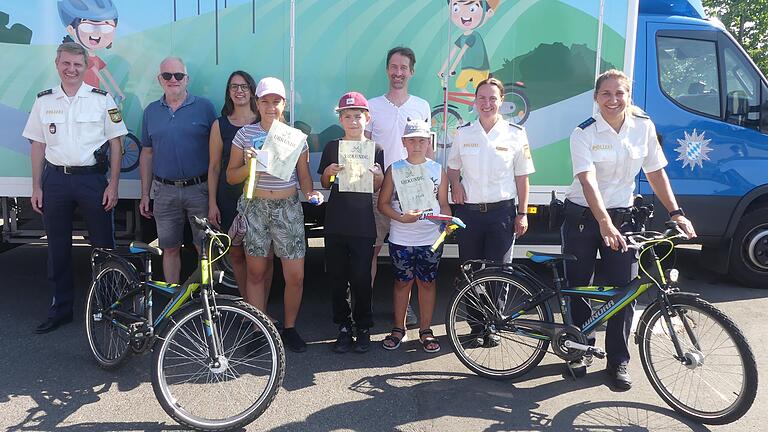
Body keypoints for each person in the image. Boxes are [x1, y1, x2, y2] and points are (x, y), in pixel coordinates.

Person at [563, 69, 697, 389]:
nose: (613, 100)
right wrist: (603, 221)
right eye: (606, 94)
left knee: (623, 291)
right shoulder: (584, 133)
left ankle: (618, 360)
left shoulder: (643, 127)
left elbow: (655, 173)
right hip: (583, 216)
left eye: (619, 93)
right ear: (596, 98)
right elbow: (588, 180)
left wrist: (677, 213)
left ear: (628, 96)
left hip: (622, 218)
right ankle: (581, 349)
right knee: (580, 286)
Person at [22, 42, 126, 333]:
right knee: (57, 247)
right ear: (57, 64)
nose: (71, 69)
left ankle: (109, 307)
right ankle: (61, 309)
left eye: (77, 65)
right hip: (55, 180)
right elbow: (37, 145)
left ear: (85, 67)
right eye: (66, 64)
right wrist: (36, 186)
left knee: (104, 246)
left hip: (92, 180)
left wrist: (113, 185)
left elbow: (117, 145)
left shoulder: (102, 99)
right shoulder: (44, 101)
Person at [226, 77, 324, 353]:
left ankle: (289, 328)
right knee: (256, 273)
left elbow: (303, 177)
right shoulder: (244, 135)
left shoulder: (295, 137)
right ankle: (259, 330)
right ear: (257, 103)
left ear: (284, 104)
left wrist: (311, 194)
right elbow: (231, 177)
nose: (270, 106)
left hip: (287, 209)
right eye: (265, 101)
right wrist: (251, 164)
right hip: (255, 208)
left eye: (276, 101)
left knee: (295, 275)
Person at [365, 46, 432, 327]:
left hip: (411, 192)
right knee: (373, 249)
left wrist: (428, 190)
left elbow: (426, 153)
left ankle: (405, 311)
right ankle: (363, 305)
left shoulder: (422, 105)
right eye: (394, 67)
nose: (398, 73)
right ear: (387, 70)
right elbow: (363, 148)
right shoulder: (372, 105)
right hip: (378, 189)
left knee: (412, 252)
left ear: (412, 72)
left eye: (404, 68)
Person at [139, 57, 216, 284]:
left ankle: (206, 299)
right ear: (159, 79)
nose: (173, 80)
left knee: (203, 248)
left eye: (178, 75)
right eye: (167, 76)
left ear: (187, 79)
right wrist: (145, 194)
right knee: (170, 248)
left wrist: (213, 197)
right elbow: (147, 153)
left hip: (199, 189)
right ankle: (174, 302)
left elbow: (216, 154)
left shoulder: (205, 108)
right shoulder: (151, 112)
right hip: (164, 191)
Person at [318, 92, 385, 353]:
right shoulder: (332, 146)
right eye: (347, 116)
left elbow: (377, 186)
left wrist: (378, 176)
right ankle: (343, 327)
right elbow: (324, 183)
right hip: (336, 221)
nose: (353, 121)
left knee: (360, 278)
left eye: (358, 116)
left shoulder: (375, 149)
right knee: (338, 278)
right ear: (340, 119)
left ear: (366, 118)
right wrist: (328, 172)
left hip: (363, 223)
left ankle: (364, 326)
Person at [378, 119, 450, 353]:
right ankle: (398, 328)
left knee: (427, 284)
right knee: (402, 283)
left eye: (421, 140)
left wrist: (446, 223)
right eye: (412, 140)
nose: (417, 145)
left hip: (430, 238)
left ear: (428, 142)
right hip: (402, 237)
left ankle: (426, 329)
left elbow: (443, 204)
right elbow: (383, 204)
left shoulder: (438, 170)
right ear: (404, 142)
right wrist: (400, 218)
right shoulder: (394, 169)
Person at [207, 70, 274, 300]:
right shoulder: (220, 125)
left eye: (244, 86)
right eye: (234, 87)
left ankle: (261, 312)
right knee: (236, 255)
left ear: (252, 91)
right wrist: (212, 203)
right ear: (228, 92)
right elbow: (214, 167)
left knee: (265, 257)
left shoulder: (264, 121)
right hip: (229, 197)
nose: (239, 91)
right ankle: (248, 307)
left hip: (261, 197)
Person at [57, 0, 125, 101]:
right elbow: (99, 76)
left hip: (95, 95)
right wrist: (109, 93)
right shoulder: (81, 59)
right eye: (88, 26)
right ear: (71, 29)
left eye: (106, 28)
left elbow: (106, 74)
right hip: (82, 97)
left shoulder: (95, 58)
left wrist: (118, 92)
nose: (97, 33)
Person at [438, 0, 501, 90]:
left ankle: (475, 102)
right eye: (456, 9)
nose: (464, 15)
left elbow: (462, 52)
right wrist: (442, 70)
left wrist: (452, 68)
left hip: (480, 68)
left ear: (489, 12)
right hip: (467, 67)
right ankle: (473, 101)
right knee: (459, 85)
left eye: (472, 9)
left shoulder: (474, 36)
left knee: (478, 88)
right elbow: (452, 52)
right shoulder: (462, 37)